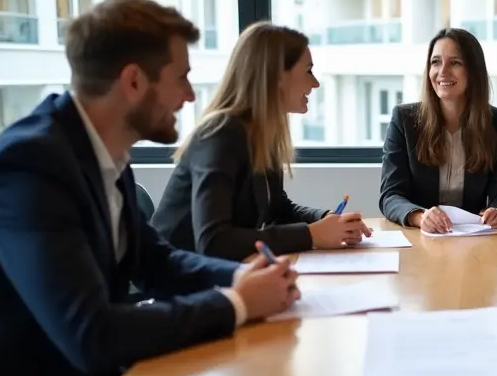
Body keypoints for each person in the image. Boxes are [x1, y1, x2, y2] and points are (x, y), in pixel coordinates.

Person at [0, 0, 301, 376]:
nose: (189, 96)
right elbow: (91, 335)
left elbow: (155, 261)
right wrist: (235, 303)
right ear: (133, 81)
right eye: (181, 79)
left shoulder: (105, 155)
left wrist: (241, 277)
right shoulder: (26, 168)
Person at [151, 22, 371, 260]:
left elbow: (278, 209)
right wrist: (311, 235)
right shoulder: (220, 135)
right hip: (176, 280)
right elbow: (214, 241)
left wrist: (327, 220)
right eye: (308, 71)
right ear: (276, 76)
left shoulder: (262, 133)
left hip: (219, 274)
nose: (315, 83)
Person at [379, 28, 497, 233]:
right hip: (420, 239)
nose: (442, 71)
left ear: (473, 71)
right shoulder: (404, 120)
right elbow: (390, 195)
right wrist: (420, 216)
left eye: (454, 63)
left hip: (474, 240)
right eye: (435, 62)